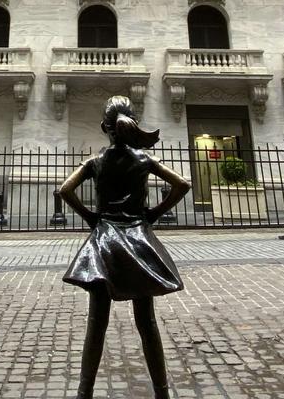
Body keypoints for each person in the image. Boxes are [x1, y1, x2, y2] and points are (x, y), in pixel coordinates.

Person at [58, 96, 192, 399]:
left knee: (97, 324)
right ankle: (162, 392)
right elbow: (182, 184)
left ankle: (85, 391)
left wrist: (91, 217)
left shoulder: (96, 161)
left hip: (104, 242)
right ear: (132, 125)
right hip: (139, 242)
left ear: (105, 127)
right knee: (147, 322)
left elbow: (66, 190)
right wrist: (155, 213)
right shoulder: (143, 160)